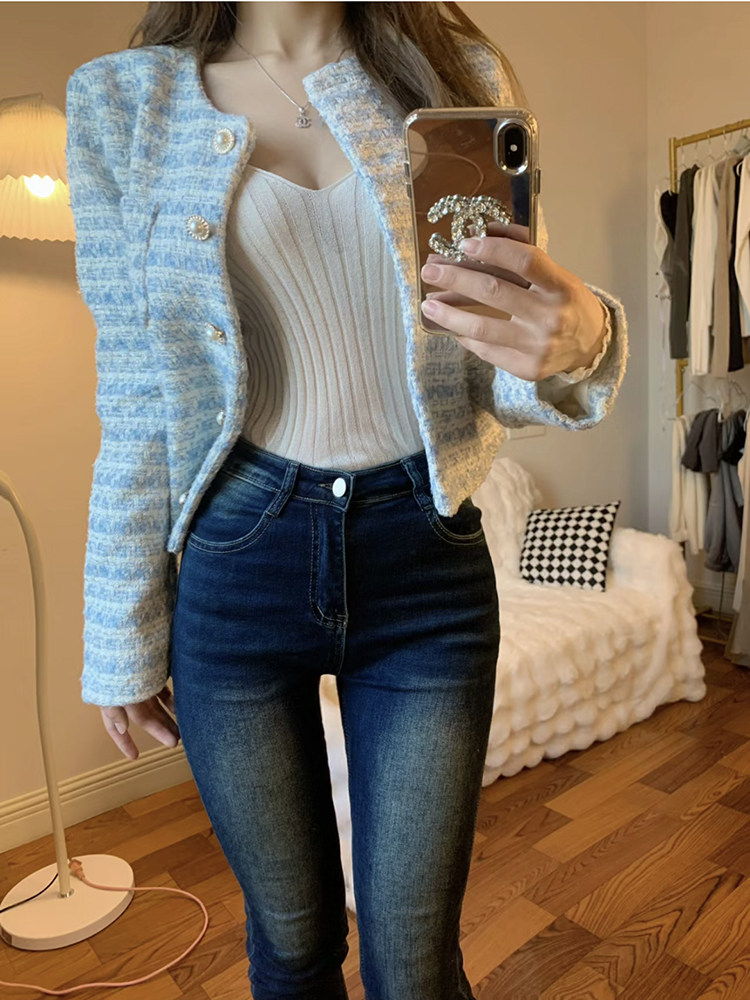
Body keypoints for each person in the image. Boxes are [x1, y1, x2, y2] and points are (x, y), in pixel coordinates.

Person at [65, 3, 628, 997]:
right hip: (238, 558)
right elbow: (139, 395)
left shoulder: (455, 74)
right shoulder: (123, 102)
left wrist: (582, 342)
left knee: (414, 963)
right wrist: (120, 630)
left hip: (426, 563)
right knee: (292, 945)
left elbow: (497, 361)